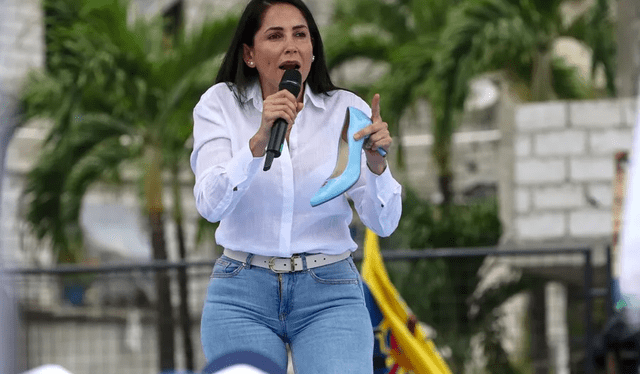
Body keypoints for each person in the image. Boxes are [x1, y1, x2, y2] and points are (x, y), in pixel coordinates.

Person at [190, 0, 402, 373]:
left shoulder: (346, 111)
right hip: (241, 292)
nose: (291, 46)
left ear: (313, 50)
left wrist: (377, 164)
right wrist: (256, 144)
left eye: (300, 35)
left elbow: (384, 223)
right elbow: (210, 204)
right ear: (250, 54)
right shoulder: (219, 104)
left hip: (329, 291)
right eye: (275, 36)